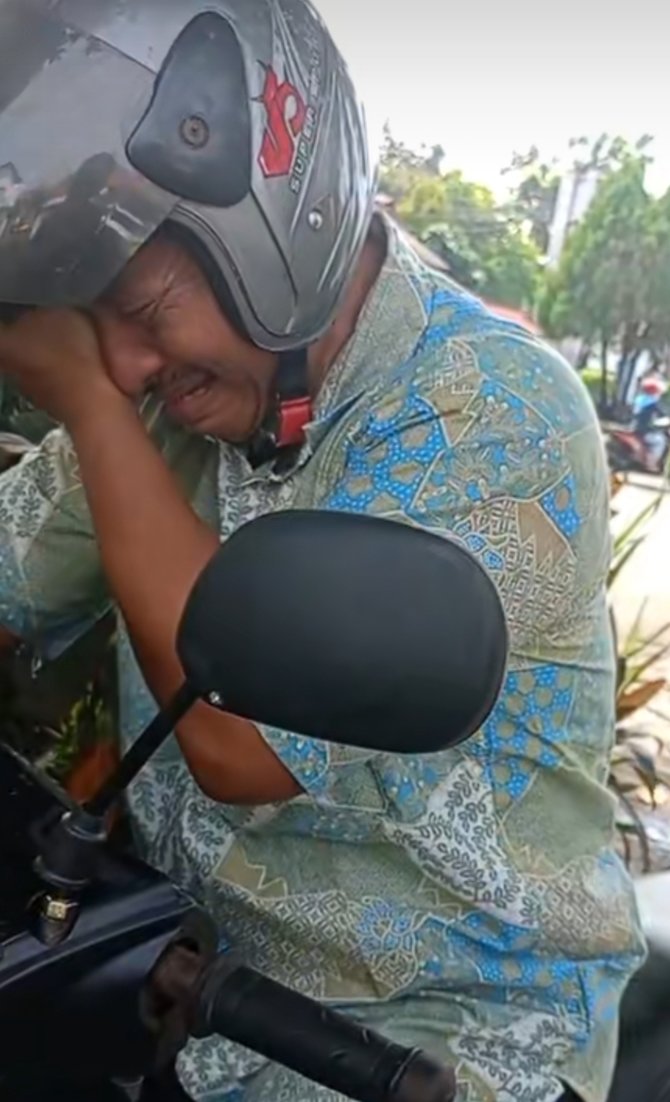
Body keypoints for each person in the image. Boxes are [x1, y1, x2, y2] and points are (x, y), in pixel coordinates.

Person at [0, 2, 644, 1100]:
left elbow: (244, 744)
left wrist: (86, 405)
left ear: (267, 228)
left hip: (443, 1039)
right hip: (199, 989)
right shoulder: (174, 405)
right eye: (86, 325)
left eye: (144, 306)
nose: (122, 362)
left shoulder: (490, 409)